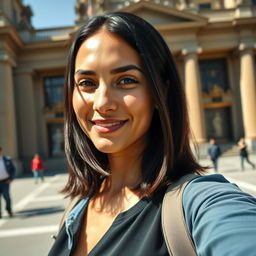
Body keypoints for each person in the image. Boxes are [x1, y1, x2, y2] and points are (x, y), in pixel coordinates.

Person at [49, 12, 256, 256]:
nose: (102, 103)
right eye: (86, 83)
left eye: (126, 80)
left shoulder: (202, 203)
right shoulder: (75, 210)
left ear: (162, 92)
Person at [0, 147, 15, 218]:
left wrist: (11, 179)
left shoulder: (7, 159)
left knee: (6, 196)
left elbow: (13, 169)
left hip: (5, 181)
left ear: (1, 151)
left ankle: (9, 210)